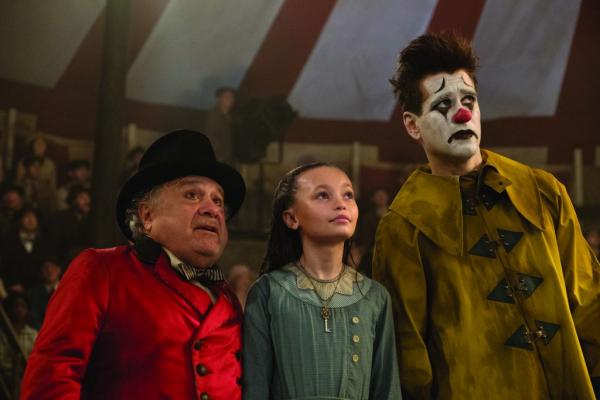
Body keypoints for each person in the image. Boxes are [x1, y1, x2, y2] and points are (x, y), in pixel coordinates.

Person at [372, 31, 600, 399]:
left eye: (469, 100)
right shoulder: (404, 227)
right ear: (413, 125)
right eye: (442, 105)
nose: (462, 113)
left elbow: (590, 303)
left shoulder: (542, 191)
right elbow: (408, 352)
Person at [21, 129, 246, 399]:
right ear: (147, 216)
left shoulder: (228, 297)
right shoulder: (102, 270)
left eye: (218, 200)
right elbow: (51, 381)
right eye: (191, 195)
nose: (213, 209)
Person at [243, 162, 401, 399]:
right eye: (323, 195)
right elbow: (254, 388)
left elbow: (387, 391)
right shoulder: (269, 292)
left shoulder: (375, 298)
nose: (341, 204)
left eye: (348, 195)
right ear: (291, 218)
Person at [204, 87, 235, 163]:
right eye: (227, 97)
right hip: (218, 157)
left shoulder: (229, 116)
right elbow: (211, 136)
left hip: (227, 157)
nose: (230, 99)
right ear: (219, 99)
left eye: (232, 97)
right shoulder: (215, 114)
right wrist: (220, 155)